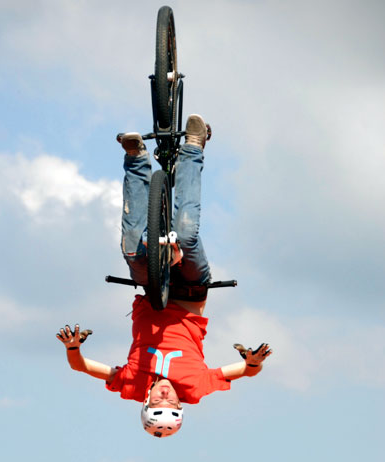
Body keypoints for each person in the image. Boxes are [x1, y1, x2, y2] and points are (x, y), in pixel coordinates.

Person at [57, 115, 272, 438]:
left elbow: (82, 367)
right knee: (185, 236)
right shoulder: (196, 386)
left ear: (145, 401)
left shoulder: (131, 384)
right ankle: (193, 149)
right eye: (171, 404)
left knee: (132, 249)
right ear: (180, 406)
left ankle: (136, 160)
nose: (165, 396)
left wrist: (73, 347)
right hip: (190, 291)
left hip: (151, 289)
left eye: (158, 402)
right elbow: (246, 372)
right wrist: (254, 361)